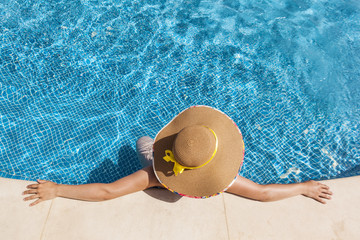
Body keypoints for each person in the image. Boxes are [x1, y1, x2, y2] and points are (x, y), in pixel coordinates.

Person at [22, 106, 332, 206]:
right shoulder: (223, 181)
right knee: (152, 154)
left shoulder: (153, 173)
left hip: (165, 183)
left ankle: (164, 185)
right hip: (179, 186)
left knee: (143, 139)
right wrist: (303, 187)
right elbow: (263, 193)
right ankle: (171, 191)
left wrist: (58, 190)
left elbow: (108, 190)